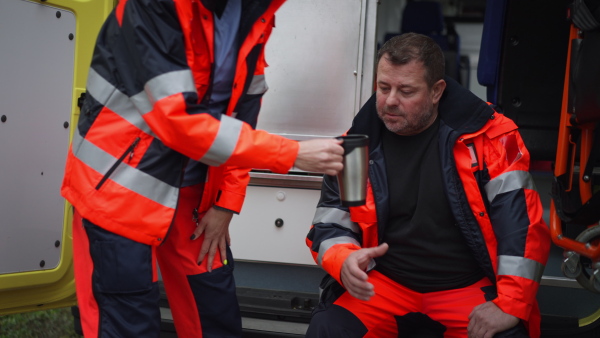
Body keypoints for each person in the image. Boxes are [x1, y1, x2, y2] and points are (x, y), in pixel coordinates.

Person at [60, 0, 343, 337]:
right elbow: (177, 120)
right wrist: (292, 154)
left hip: (196, 195)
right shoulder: (150, 7)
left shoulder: (253, 12)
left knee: (215, 318)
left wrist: (227, 199)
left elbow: (240, 119)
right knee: (128, 325)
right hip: (119, 191)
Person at [305, 32, 551, 338]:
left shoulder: (490, 139)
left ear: (437, 91)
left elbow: (522, 228)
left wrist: (510, 305)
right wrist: (345, 260)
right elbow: (329, 225)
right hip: (384, 285)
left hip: (465, 287)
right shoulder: (356, 146)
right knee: (328, 329)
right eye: (383, 88)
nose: (391, 101)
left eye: (406, 91)